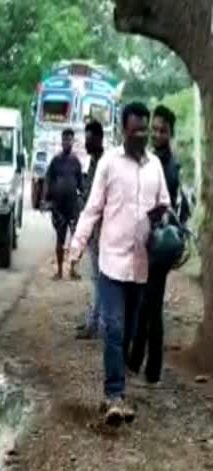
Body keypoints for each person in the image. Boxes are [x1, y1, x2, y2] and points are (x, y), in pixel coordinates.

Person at [69, 102, 171, 426]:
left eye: (144, 129)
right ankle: (114, 395)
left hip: (141, 265)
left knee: (126, 331)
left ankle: (117, 391)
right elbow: (92, 208)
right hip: (112, 262)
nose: (141, 135)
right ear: (123, 131)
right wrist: (76, 248)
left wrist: (161, 219)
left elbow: (165, 204)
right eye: (135, 130)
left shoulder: (154, 166)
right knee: (112, 327)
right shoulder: (109, 164)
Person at [127, 105, 181, 385]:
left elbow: (160, 207)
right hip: (152, 244)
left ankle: (149, 369)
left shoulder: (167, 166)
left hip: (157, 246)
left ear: (171, 133)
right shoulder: (155, 160)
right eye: (155, 129)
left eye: (162, 130)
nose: (157, 134)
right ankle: (139, 364)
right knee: (147, 305)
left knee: (151, 306)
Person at [76, 121, 105, 340]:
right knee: (97, 277)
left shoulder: (103, 164)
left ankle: (96, 324)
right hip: (94, 230)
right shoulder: (94, 163)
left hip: (102, 231)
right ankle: (94, 321)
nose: (86, 144)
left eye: (89, 140)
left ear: (98, 139)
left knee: (100, 278)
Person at [45, 128, 84, 280]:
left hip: (72, 207)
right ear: (61, 141)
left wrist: (83, 200)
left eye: (69, 139)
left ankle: (73, 270)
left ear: (73, 142)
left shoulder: (76, 162)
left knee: (75, 240)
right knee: (60, 239)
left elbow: (81, 184)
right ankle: (60, 271)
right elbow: (48, 180)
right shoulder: (56, 161)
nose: (66, 142)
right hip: (58, 207)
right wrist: (46, 199)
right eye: (64, 139)